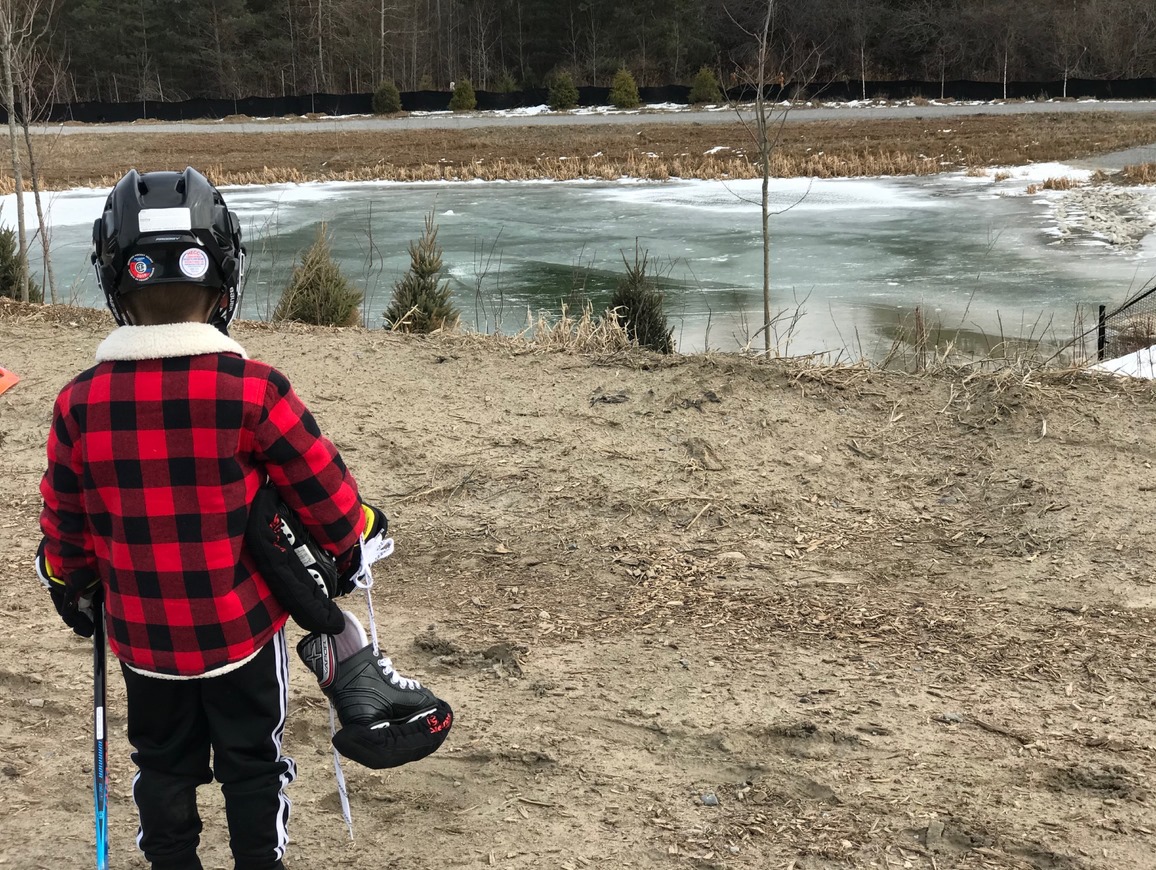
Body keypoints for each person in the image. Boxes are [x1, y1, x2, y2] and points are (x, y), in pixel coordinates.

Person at [35, 166, 394, 870]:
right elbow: (329, 500)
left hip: (144, 644)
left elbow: (65, 529)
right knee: (253, 764)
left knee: (163, 767)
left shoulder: (78, 404)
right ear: (224, 280)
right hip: (241, 636)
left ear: (116, 285)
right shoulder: (253, 390)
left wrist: (71, 585)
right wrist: (358, 535)